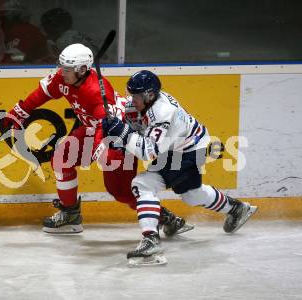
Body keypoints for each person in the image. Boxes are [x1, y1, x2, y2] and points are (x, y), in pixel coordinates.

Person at [2, 44, 193, 236]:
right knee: (61, 158)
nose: (62, 72)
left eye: (67, 69)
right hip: (94, 130)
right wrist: (19, 113)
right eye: (62, 67)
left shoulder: (96, 92)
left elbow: (106, 126)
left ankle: (167, 218)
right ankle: (70, 214)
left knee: (122, 193)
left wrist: (101, 147)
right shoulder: (63, 78)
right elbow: (42, 93)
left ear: (82, 70)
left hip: (117, 138)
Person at [102, 70, 258, 265]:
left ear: (149, 95)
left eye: (136, 96)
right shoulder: (146, 102)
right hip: (185, 147)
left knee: (142, 184)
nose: (132, 99)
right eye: (131, 94)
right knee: (192, 195)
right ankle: (237, 208)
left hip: (187, 151)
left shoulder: (162, 112)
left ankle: (151, 239)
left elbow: (148, 152)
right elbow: (136, 127)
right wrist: (117, 130)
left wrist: (123, 133)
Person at [0, 0, 49, 64]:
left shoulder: (25, 30)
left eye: (4, 15)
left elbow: (21, 57)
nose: (1, 18)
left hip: (32, 69)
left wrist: (1, 60)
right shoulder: (5, 31)